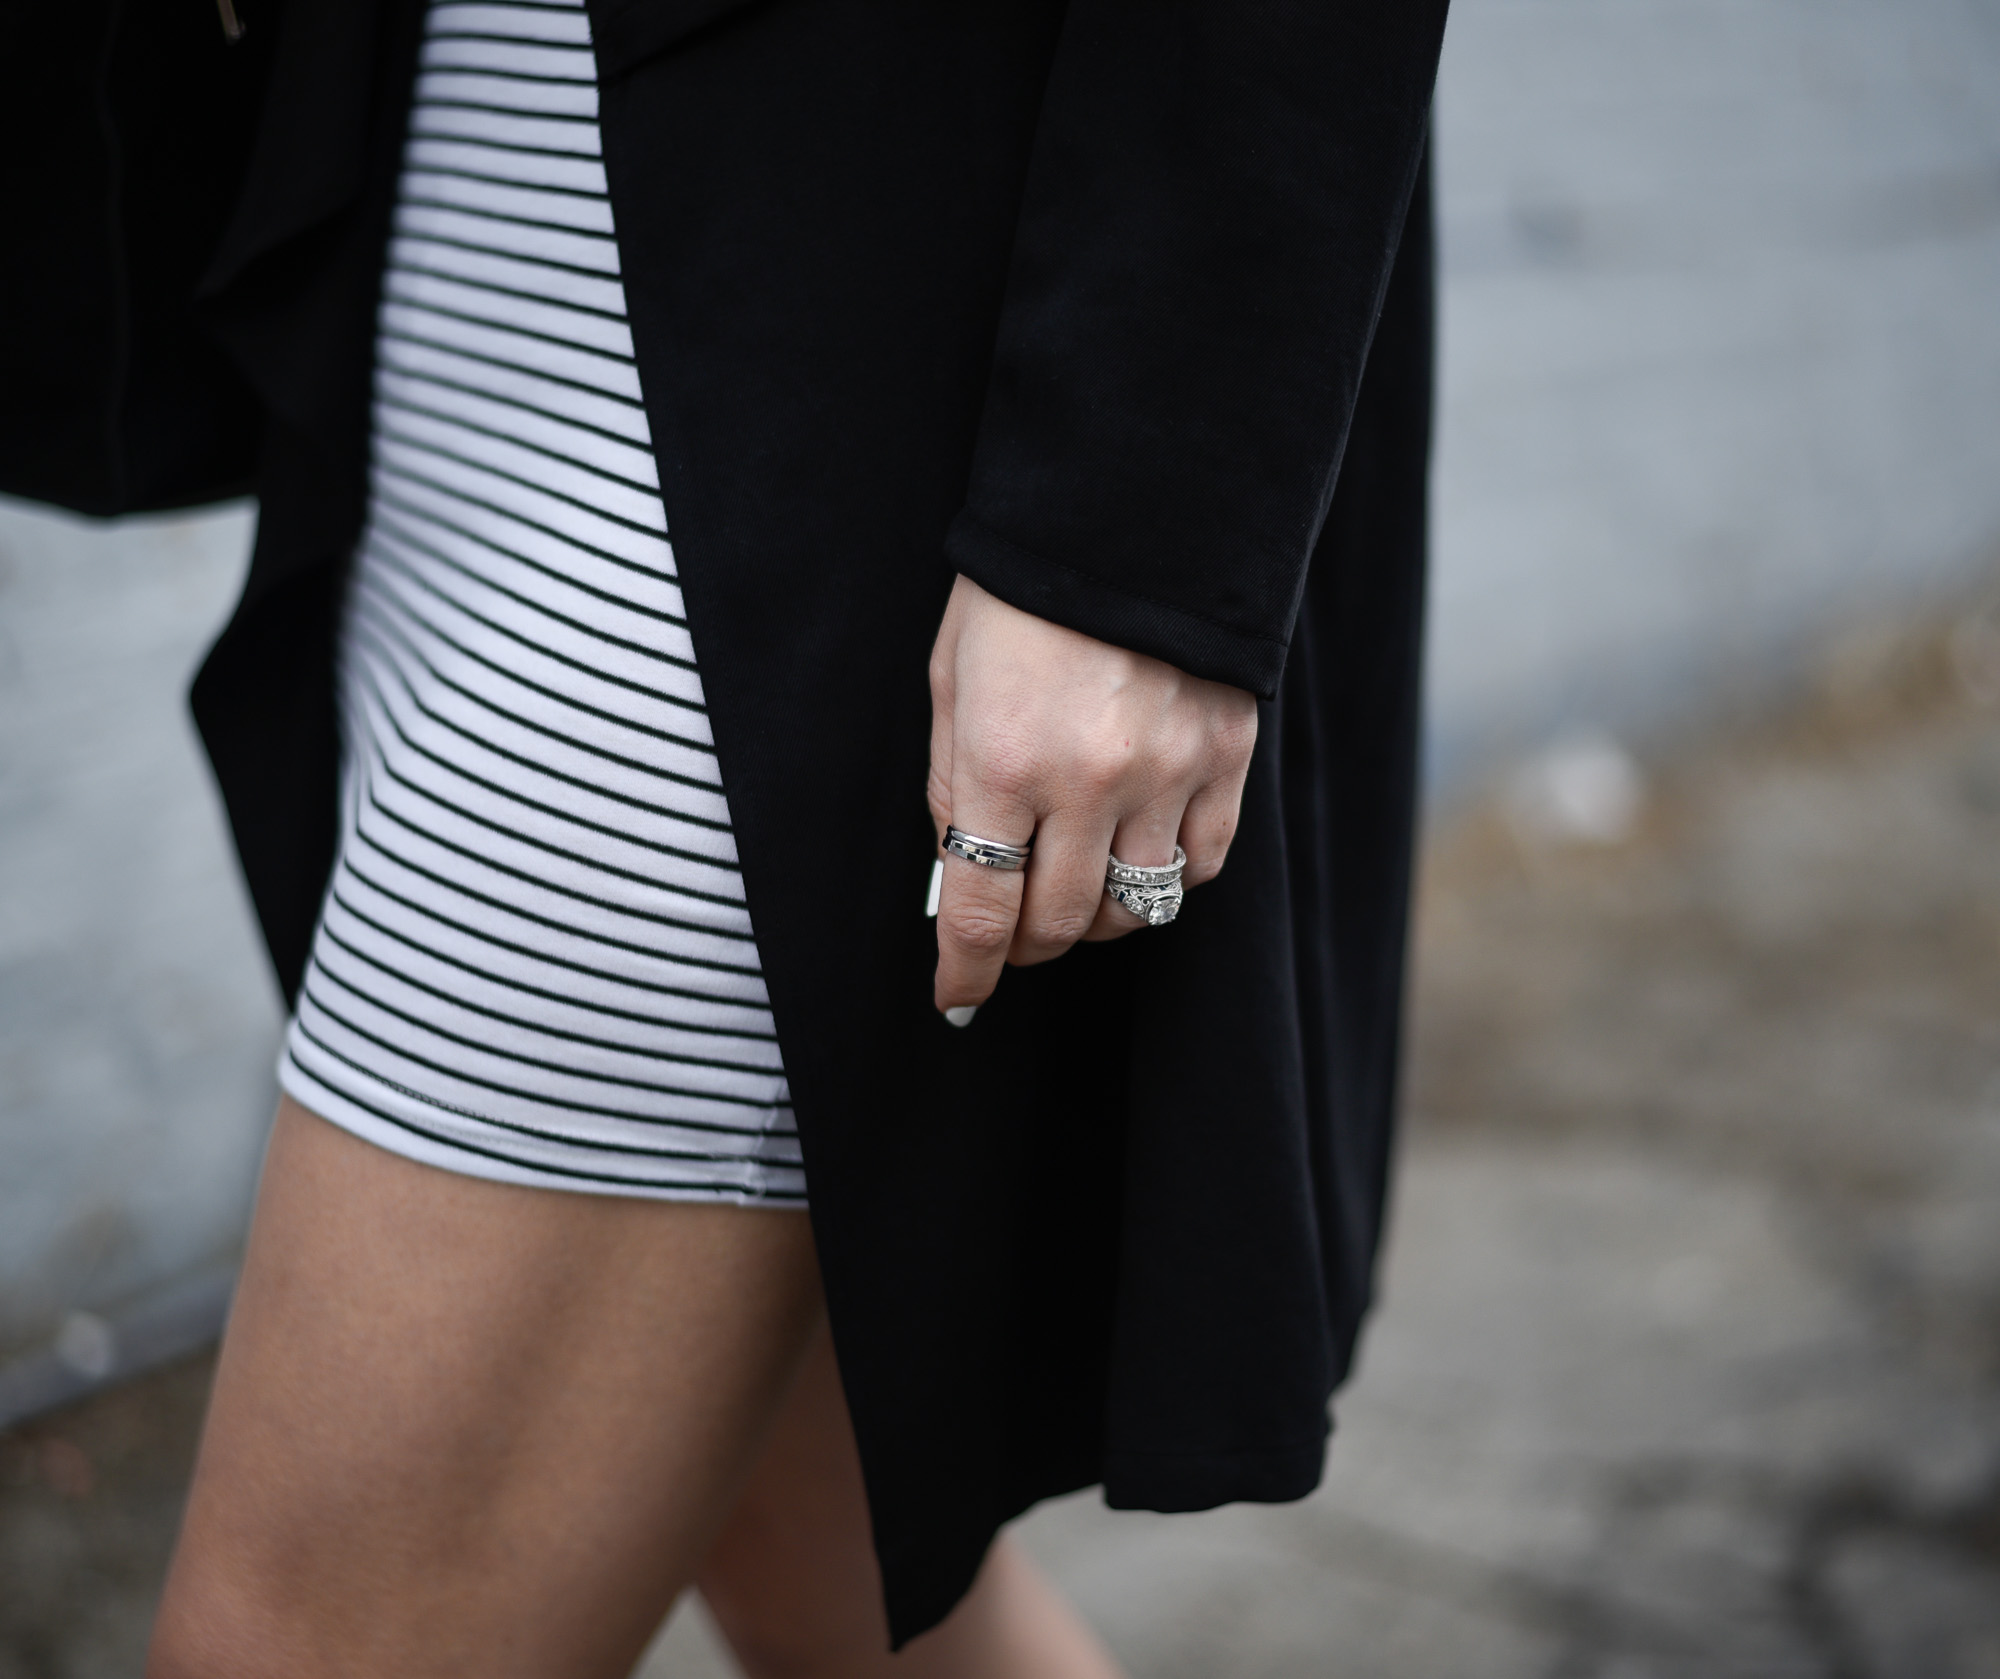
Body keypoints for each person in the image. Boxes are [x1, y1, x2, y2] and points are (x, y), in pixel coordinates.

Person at [130, 0, 1450, 1671]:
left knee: (311, 1641)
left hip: (842, 378)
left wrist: (1136, 525)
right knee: (815, 1570)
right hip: (458, 273)